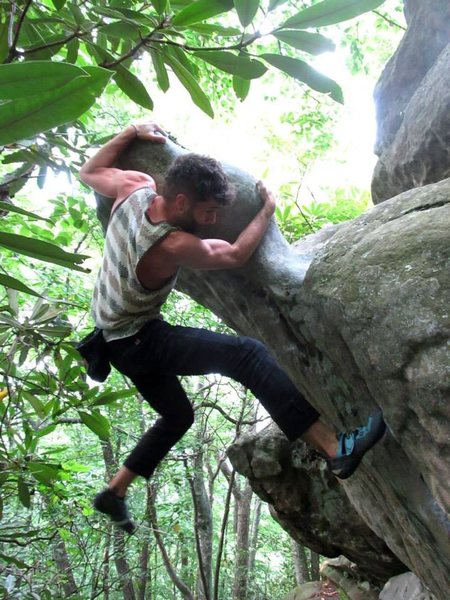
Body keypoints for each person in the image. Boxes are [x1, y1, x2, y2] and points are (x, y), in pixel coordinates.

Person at [80, 123, 386, 534]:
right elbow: (237, 253)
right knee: (246, 355)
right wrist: (266, 210)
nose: (214, 218)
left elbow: (90, 171)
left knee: (177, 417)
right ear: (182, 200)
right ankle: (337, 448)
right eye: (208, 211)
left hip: (113, 336)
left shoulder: (134, 187)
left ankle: (114, 492)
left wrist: (132, 130)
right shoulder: (170, 243)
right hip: (138, 339)